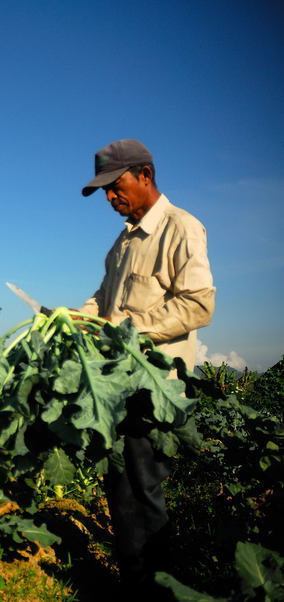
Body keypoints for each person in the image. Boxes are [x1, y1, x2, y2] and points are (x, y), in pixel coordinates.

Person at [77, 139, 215, 593]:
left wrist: (129, 330)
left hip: (155, 387)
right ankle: (135, 583)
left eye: (117, 187)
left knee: (144, 493)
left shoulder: (181, 227)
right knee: (121, 490)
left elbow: (196, 305)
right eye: (105, 192)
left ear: (145, 176)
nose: (112, 198)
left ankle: (160, 588)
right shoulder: (123, 242)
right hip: (119, 385)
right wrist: (75, 319)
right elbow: (104, 299)